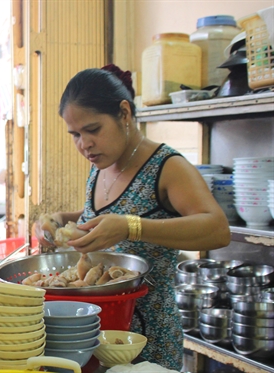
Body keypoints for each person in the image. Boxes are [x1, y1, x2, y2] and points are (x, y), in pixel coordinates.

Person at [34, 65, 231, 370]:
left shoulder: (167, 167)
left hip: (145, 333)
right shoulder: (101, 162)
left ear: (124, 113)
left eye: (93, 130)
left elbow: (217, 229)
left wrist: (131, 228)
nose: (84, 144)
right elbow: (99, 213)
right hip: (95, 329)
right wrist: (60, 218)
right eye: (75, 134)